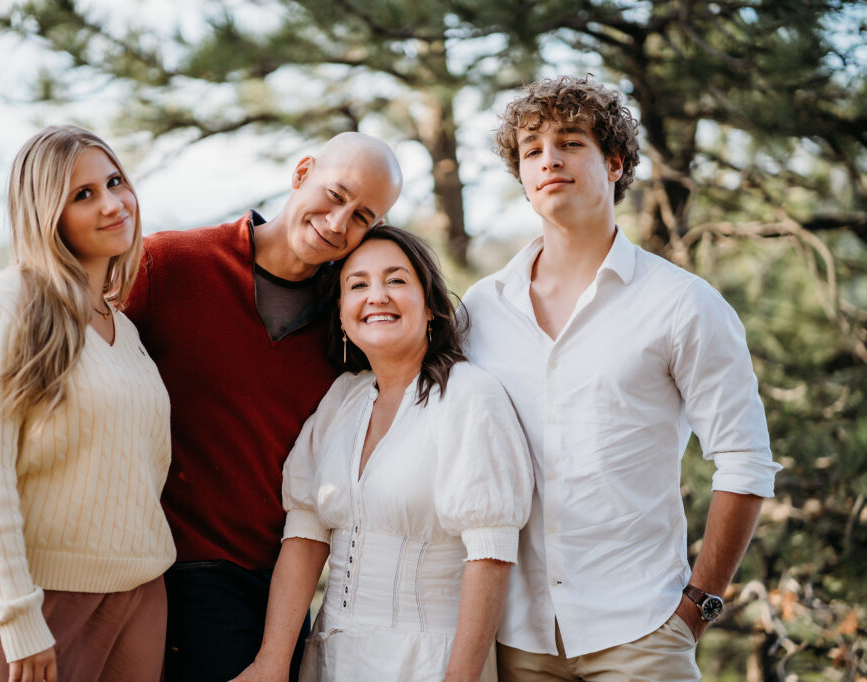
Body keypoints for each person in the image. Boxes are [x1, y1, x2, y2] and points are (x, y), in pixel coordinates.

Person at [460, 75, 783, 679]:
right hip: (515, 637)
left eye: (570, 142)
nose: (549, 159)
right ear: (523, 180)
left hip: (642, 631)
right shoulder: (480, 309)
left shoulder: (683, 303)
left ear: (614, 162)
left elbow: (745, 461)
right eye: (532, 150)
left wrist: (697, 608)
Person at [122, 132, 404, 680]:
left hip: (276, 590)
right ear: (301, 172)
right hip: (164, 573)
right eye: (334, 194)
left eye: (363, 216)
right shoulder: (169, 265)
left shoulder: (350, 322)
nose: (338, 222)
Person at [234, 226, 534, 682]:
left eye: (396, 281)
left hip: (428, 661)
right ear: (341, 315)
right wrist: (272, 662)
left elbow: (490, 556)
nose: (377, 296)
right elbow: (305, 536)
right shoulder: (342, 400)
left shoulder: (470, 397)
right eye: (358, 285)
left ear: (431, 305)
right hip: (332, 659)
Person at [0, 125, 175, 682]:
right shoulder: (5, 306)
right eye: (83, 195)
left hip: (140, 595)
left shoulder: (124, 328)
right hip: (40, 600)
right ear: (47, 215)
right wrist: (18, 614)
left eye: (114, 181)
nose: (112, 203)